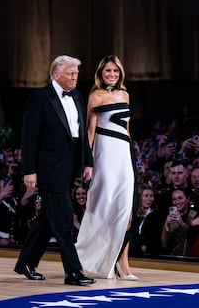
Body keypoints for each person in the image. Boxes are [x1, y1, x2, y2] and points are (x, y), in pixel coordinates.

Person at [14, 55, 96, 286]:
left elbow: (81, 137)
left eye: (76, 73)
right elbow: (29, 138)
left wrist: (87, 162)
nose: (75, 77)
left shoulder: (78, 96)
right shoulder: (39, 99)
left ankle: (26, 262)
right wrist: (29, 171)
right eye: (71, 73)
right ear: (56, 74)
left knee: (47, 219)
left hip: (69, 168)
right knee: (63, 220)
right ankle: (73, 271)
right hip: (49, 169)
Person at [76, 55, 137, 280]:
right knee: (103, 205)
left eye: (115, 71)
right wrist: (88, 163)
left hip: (123, 154)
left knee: (124, 207)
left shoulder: (125, 95)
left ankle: (119, 262)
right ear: (100, 74)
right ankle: (87, 258)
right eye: (107, 71)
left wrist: (131, 158)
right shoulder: (95, 96)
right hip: (104, 155)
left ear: (120, 73)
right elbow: (90, 132)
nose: (111, 75)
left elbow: (127, 130)